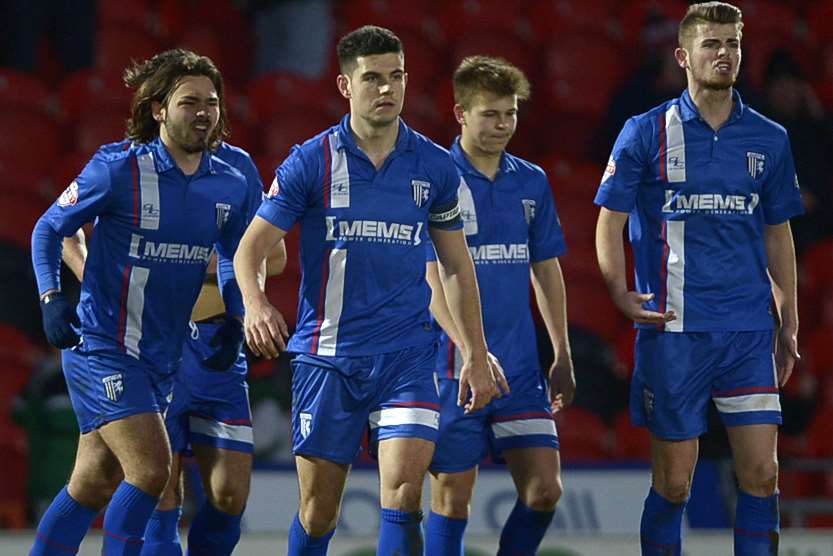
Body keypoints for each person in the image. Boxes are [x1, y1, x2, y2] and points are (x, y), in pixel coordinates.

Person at [233, 25, 506, 556]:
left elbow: (454, 263)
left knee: (404, 495)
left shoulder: (434, 167)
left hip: (406, 355)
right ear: (344, 85)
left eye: (397, 76)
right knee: (317, 513)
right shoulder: (310, 161)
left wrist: (474, 351)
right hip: (326, 357)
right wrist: (255, 302)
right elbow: (250, 249)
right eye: (373, 78)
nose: (387, 89)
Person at [594, 3, 804, 554]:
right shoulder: (645, 132)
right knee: (674, 482)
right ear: (684, 56)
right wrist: (618, 290)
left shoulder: (769, 139)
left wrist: (790, 321)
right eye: (712, 43)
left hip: (746, 332)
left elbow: (777, 233)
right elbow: (607, 221)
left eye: (733, 42)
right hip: (674, 333)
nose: (725, 53)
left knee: (761, 476)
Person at [29, 49, 255, 555]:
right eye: (188, 101)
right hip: (103, 347)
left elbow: (237, 256)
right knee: (152, 471)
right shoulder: (117, 168)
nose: (202, 113)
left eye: (211, 103)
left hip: (161, 358)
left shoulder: (230, 182)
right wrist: (51, 297)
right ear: (158, 109)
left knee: (92, 483)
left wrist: (236, 318)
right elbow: (48, 227)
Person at [423, 56, 575, 556]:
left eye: (510, 114)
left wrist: (562, 350)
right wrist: (471, 350)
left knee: (544, 491)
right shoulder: (435, 179)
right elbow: (429, 280)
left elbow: (545, 268)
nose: (503, 124)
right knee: (452, 500)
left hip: (520, 368)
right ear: (460, 113)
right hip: (453, 368)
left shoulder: (531, 182)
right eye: (490, 114)